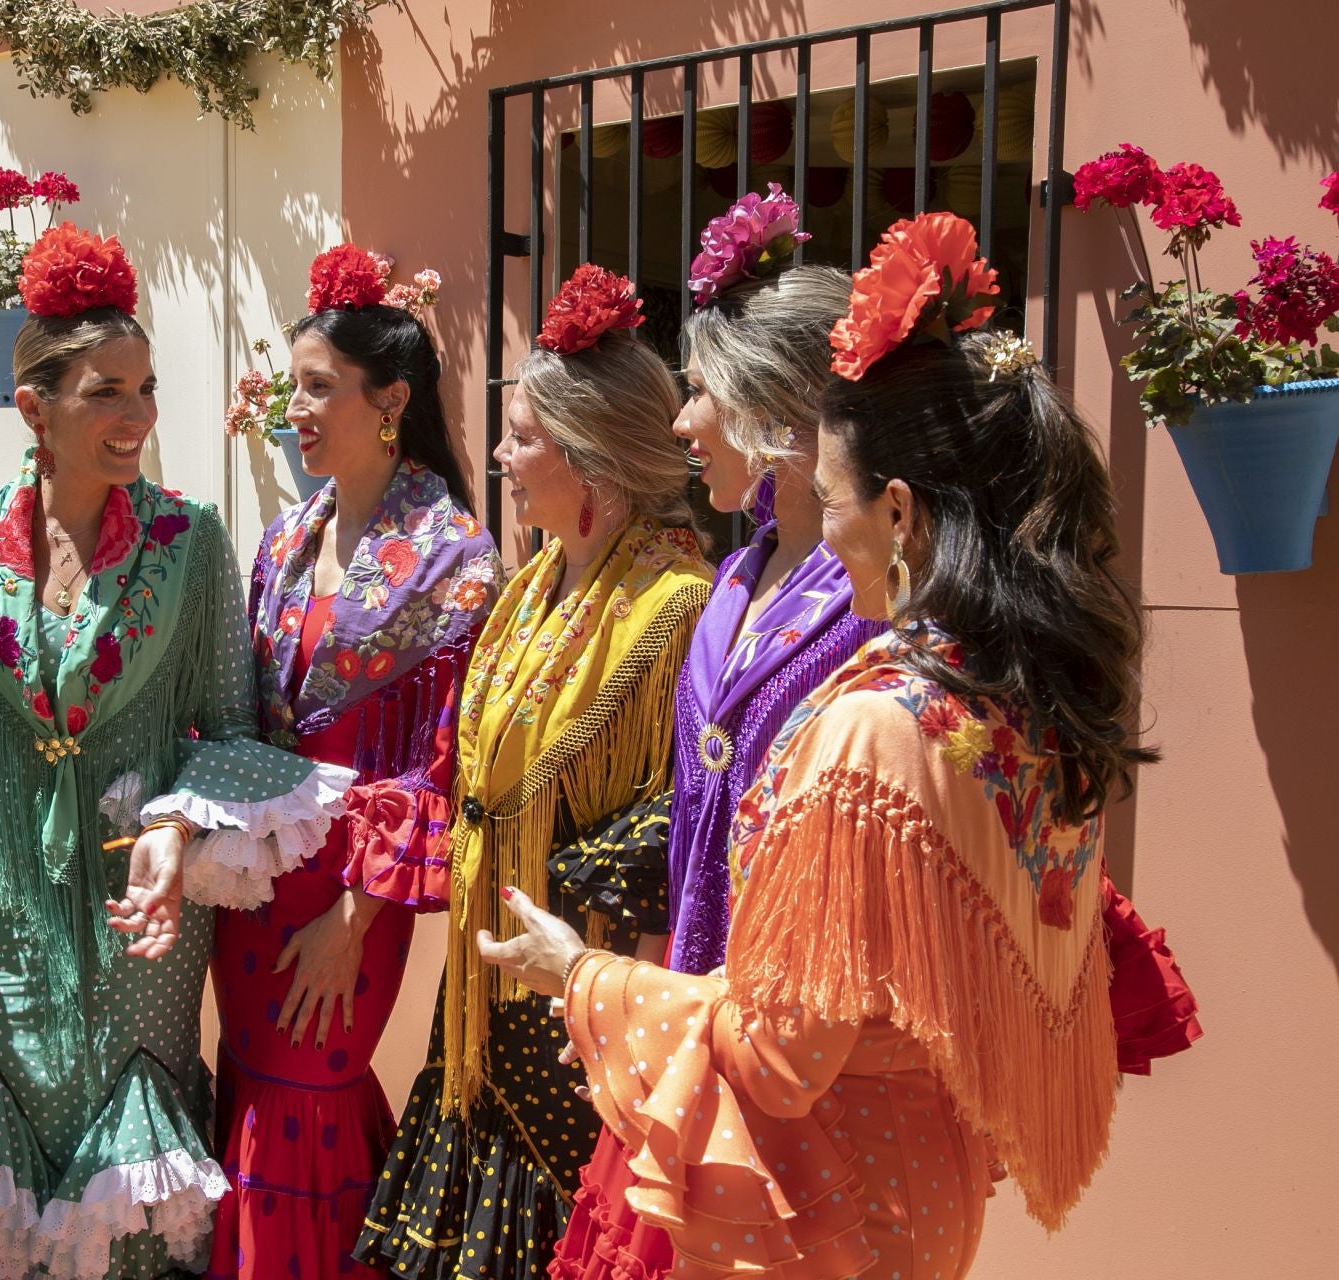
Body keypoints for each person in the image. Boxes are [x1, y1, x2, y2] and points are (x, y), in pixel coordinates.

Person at [482, 213, 1157, 1279]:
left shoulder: (875, 722)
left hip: (812, 1189)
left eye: (835, 495)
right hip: (913, 1171)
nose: (829, 529)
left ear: (895, 508)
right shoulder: (1023, 702)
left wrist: (586, 977)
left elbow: (777, 1050)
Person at [0, 223, 350, 1280]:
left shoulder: (191, 543)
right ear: (34, 409)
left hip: (142, 902)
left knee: (131, 1124)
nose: (138, 416)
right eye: (108, 392)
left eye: (145, 390)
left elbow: (232, 734)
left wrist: (174, 823)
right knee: (0, 1114)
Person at [549, 190, 882, 1280]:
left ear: (780, 413)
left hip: (798, 1057)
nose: (685, 422)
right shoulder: (734, 579)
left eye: (700, 391)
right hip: (688, 1013)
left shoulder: (867, 600)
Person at [355, 264, 712, 1280]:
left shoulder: (674, 605)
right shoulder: (531, 585)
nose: (502, 456)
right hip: (483, 1002)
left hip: (575, 1021)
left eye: (524, 437)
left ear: (593, 460)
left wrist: (572, 880)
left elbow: (682, 821)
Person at [208, 245, 502, 1280]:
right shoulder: (289, 533)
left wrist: (358, 915)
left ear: (392, 400)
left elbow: (445, 760)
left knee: (309, 1092)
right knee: (248, 1077)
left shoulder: (455, 558)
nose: (295, 406)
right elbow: (248, 711)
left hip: (350, 896)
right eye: (293, 384)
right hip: (255, 881)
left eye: (317, 387)